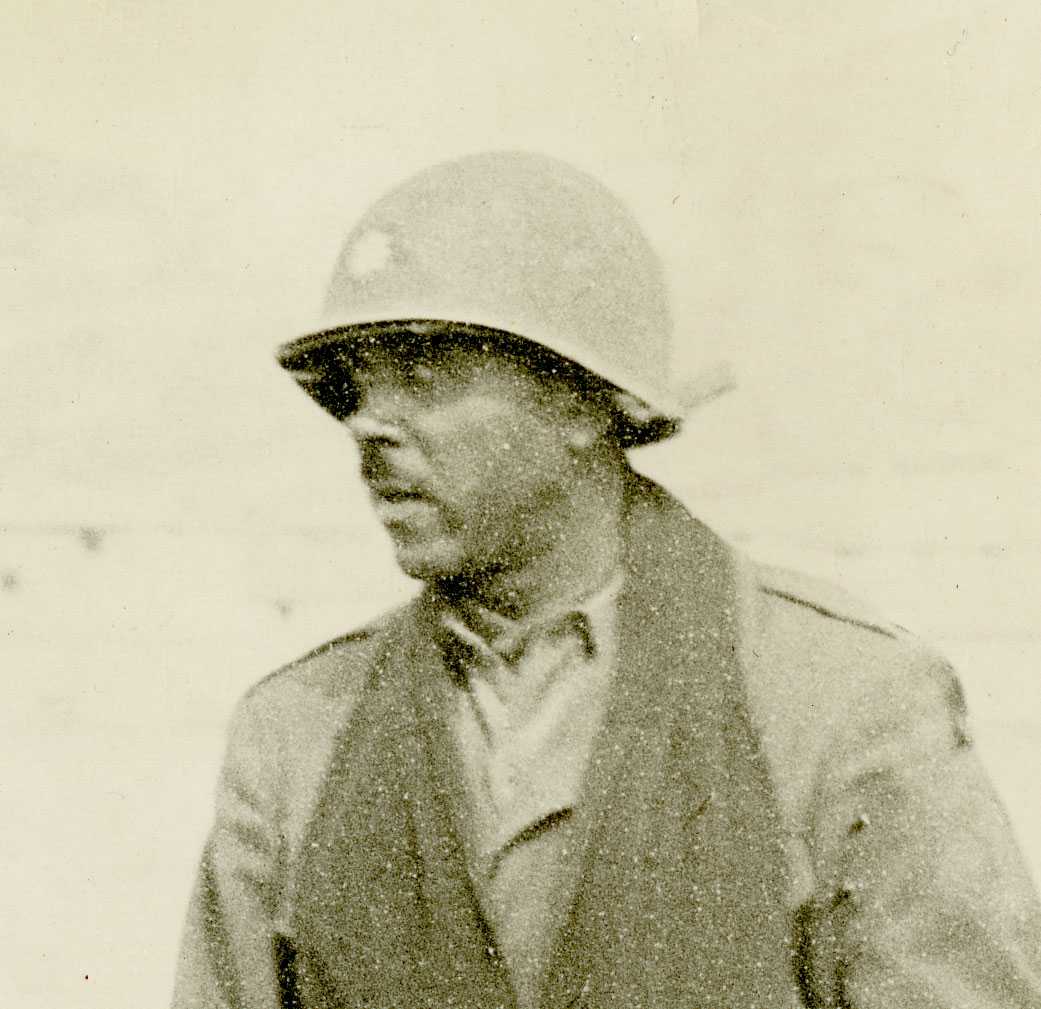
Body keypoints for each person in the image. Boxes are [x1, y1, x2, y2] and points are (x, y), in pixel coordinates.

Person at [173, 151, 1041, 1009]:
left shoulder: (837, 700)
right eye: (354, 390)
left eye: (422, 377)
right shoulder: (296, 733)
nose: (370, 424)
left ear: (580, 402)